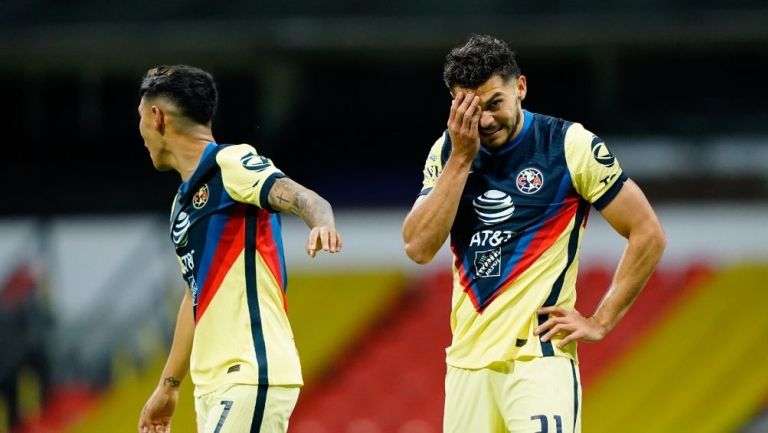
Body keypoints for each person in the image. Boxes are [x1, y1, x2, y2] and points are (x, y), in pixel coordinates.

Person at [402, 34, 666, 433]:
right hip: (466, 366)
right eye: (472, 110)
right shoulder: (447, 152)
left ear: (520, 87)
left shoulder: (568, 145)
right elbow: (418, 247)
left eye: (495, 104)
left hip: (539, 364)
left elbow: (647, 233)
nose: (486, 122)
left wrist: (601, 320)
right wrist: (460, 158)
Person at [136, 65, 342, 433]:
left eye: (140, 118)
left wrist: (321, 222)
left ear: (157, 117)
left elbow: (301, 195)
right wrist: (168, 386)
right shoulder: (182, 204)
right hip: (213, 386)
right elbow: (194, 294)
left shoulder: (229, 164)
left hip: (249, 372)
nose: (141, 133)